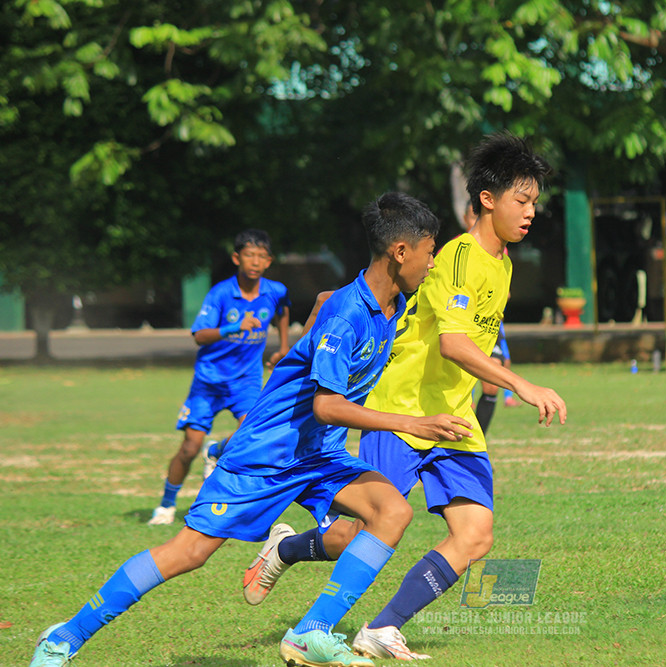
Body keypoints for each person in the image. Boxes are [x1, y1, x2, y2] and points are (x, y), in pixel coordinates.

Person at [30, 192, 474, 667]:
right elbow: (326, 405)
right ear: (400, 252)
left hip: (318, 455)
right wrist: (412, 422)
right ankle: (65, 637)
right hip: (268, 452)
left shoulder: (392, 303)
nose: (432, 263)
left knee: (391, 512)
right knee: (190, 552)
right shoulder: (349, 313)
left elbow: (330, 303)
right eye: (430, 252)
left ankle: (311, 632)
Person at [240, 132, 567, 661]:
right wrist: (520, 384)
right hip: (403, 413)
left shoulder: (502, 263)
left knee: (475, 534)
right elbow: (454, 342)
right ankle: (293, 566)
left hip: (453, 419)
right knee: (365, 530)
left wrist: (486, 382)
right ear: (487, 199)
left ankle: (381, 628)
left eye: (534, 203)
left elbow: (467, 343)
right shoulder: (457, 259)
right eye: (521, 200)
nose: (531, 212)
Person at [149, 229, 291, 526]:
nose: (255, 262)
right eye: (249, 255)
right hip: (209, 382)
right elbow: (199, 335)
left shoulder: (275, 290)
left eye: (261, 257)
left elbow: (283, 309)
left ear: (269, 261)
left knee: (251, 433)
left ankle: (215, 452)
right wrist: (233, 327)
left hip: (246, 381)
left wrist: (284, 347)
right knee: (188, 448)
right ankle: (166, 506)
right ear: (236, 258)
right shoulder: (221, 293)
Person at [460, 200, 519, 434]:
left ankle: (478, 441)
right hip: (462, 326)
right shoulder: (458, 249)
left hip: (489, 325)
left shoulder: (500, 251)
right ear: (466, 219)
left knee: (493, 383)